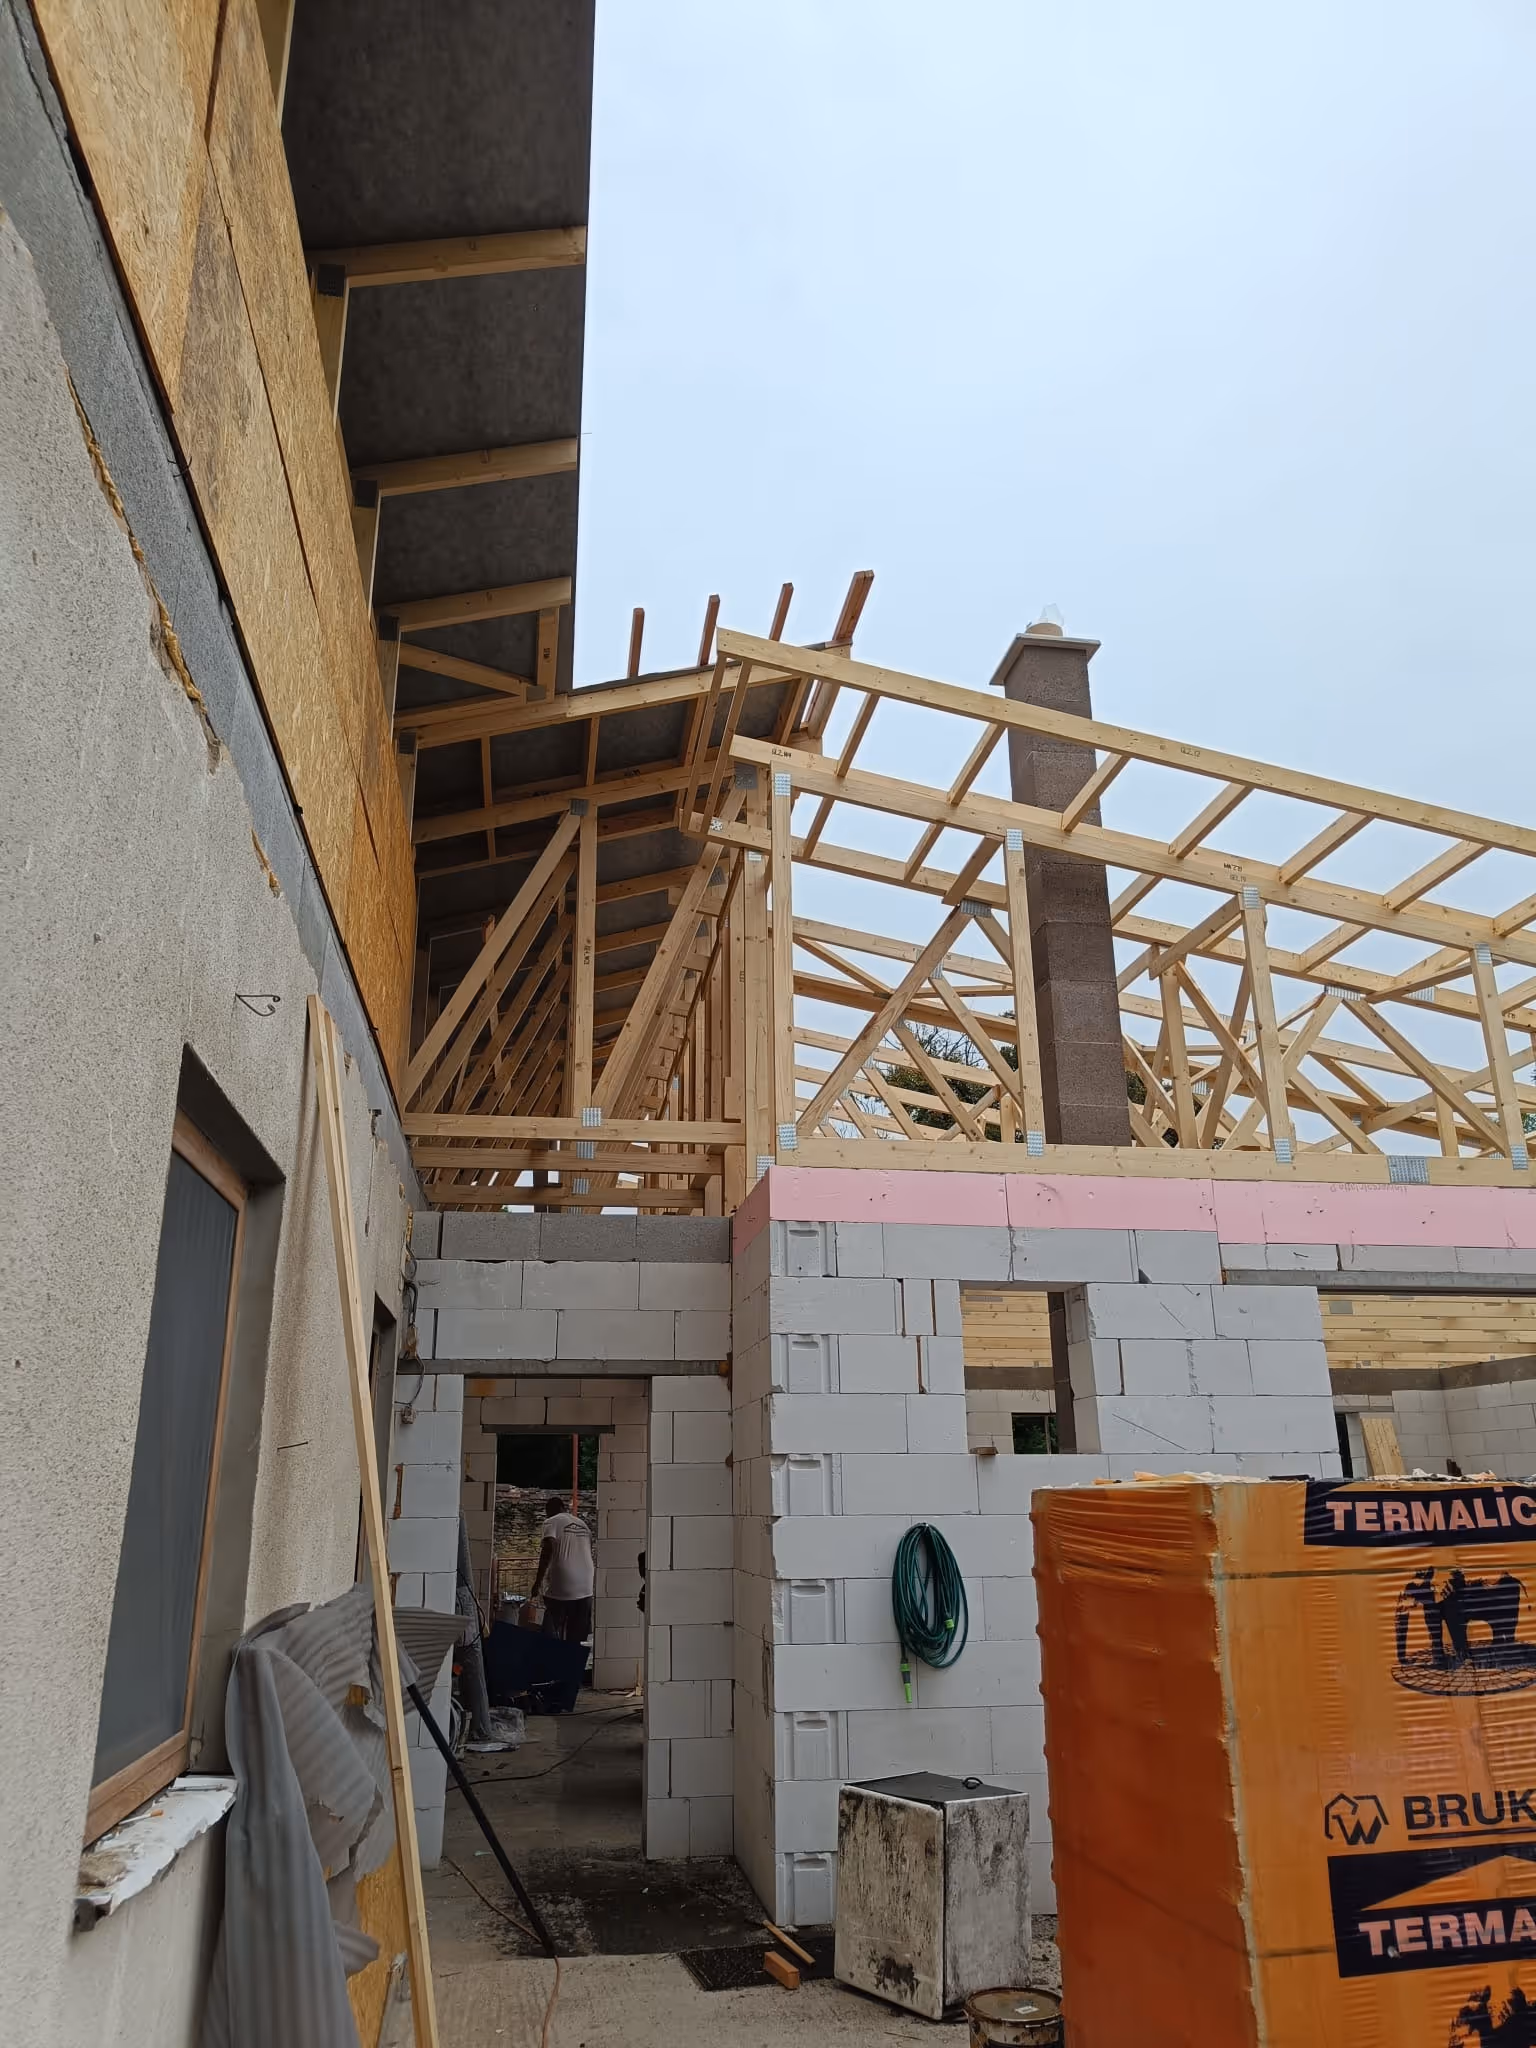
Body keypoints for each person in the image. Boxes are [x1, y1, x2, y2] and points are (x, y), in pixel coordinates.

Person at [529, 1495, 594, 1644]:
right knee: (577, 1637)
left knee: (551, 1630)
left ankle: (550, 1654)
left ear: (550, 1511)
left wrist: (537, 1583)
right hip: (586, 1586)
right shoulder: (583, 1525)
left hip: (564, 1583)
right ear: (563, 1508)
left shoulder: (551, 1521)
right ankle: (573, 1657)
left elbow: (547, 1551)